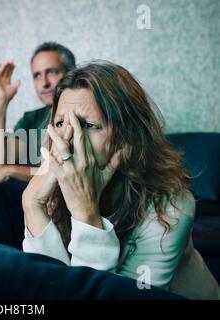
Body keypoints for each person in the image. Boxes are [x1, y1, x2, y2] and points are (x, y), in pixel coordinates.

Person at [22, 61, 220, 299]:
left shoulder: (171, 207)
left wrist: (86, 215)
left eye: (87, 124)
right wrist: (32, 206)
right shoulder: (52, 194)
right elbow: (50, 287)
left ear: (126, 140)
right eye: (60, 123)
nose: (67, 140)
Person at [0, 42, 75, 248]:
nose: (44, 83)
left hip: (64, 198)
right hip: (32, 199)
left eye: (51, 72)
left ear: (70, 73)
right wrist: (1, 101)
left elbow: (67, 171)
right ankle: (1, 268)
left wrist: (11, 171)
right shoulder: (32, 119)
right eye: (37, 75)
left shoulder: (80, 114)